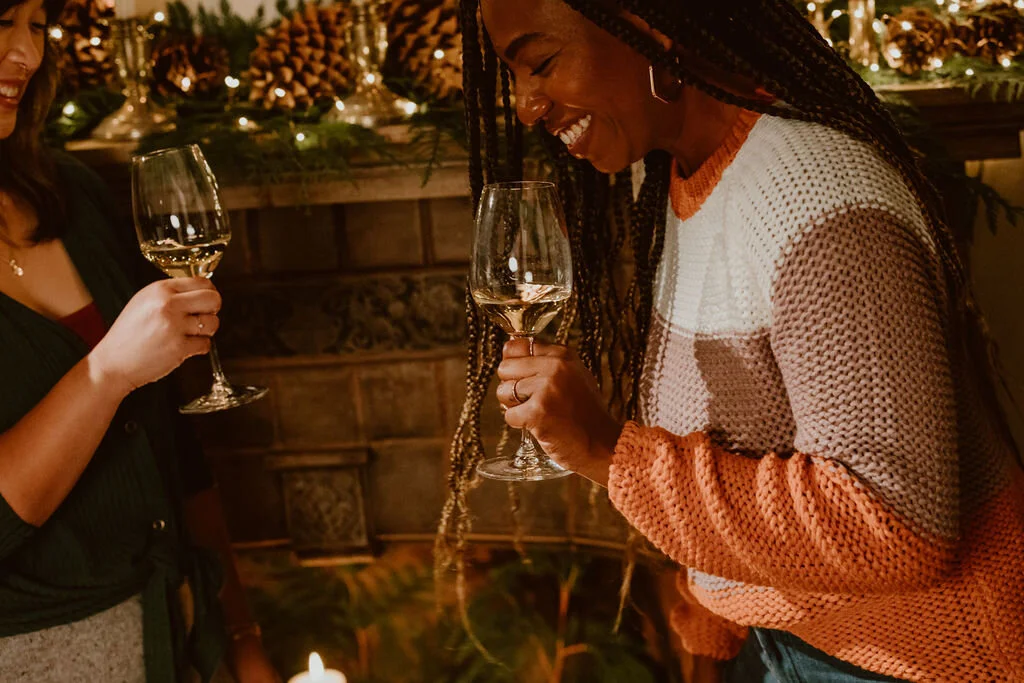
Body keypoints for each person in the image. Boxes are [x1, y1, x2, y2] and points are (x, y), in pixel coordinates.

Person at [442, 0, 1024, 680]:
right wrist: (715, 606)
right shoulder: (684, 172)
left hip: (918, 659)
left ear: (654, 26)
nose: (524, 105)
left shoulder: (820, 195)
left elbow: (893, 524)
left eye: (541, 63)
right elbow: (757, 431)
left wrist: (608, 453)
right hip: (808, 645)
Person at [0, 0, 280, 680]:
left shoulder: (73, 191)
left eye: (37, 27)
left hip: (173, 628)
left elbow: (176, 448)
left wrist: (242, 635)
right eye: (1, 23)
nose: (27, 55)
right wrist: (107, 373)